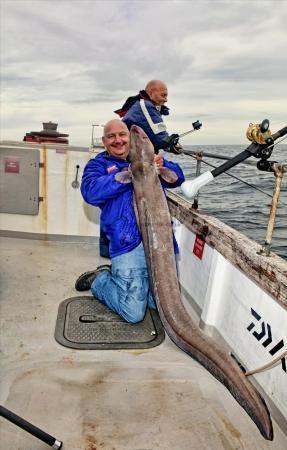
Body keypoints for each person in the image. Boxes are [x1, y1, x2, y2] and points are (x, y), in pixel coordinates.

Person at [75, 119, 185, 323]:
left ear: (129, 137)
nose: (118, 140)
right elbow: (90, 192)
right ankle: (99, 280)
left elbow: (178, 178)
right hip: (127, 244)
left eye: (122, 135)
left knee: (159, 305)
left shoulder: (151, 162)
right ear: (104, 141)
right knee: (134, 313)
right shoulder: (98, 164)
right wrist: (127, 173)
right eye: (111, 136)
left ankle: (118, 279)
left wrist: (163, 164)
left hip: (158, 242)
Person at [115, 79, 182, 154]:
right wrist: (171, 144)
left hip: (132, 153)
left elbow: (153, 136)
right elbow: (160, 138)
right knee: (173, 166)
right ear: (151, 93)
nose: (166, 100)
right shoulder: (146, 106)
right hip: (131, 157)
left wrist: (169, 146)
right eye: (163, 95)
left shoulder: (140, 105)